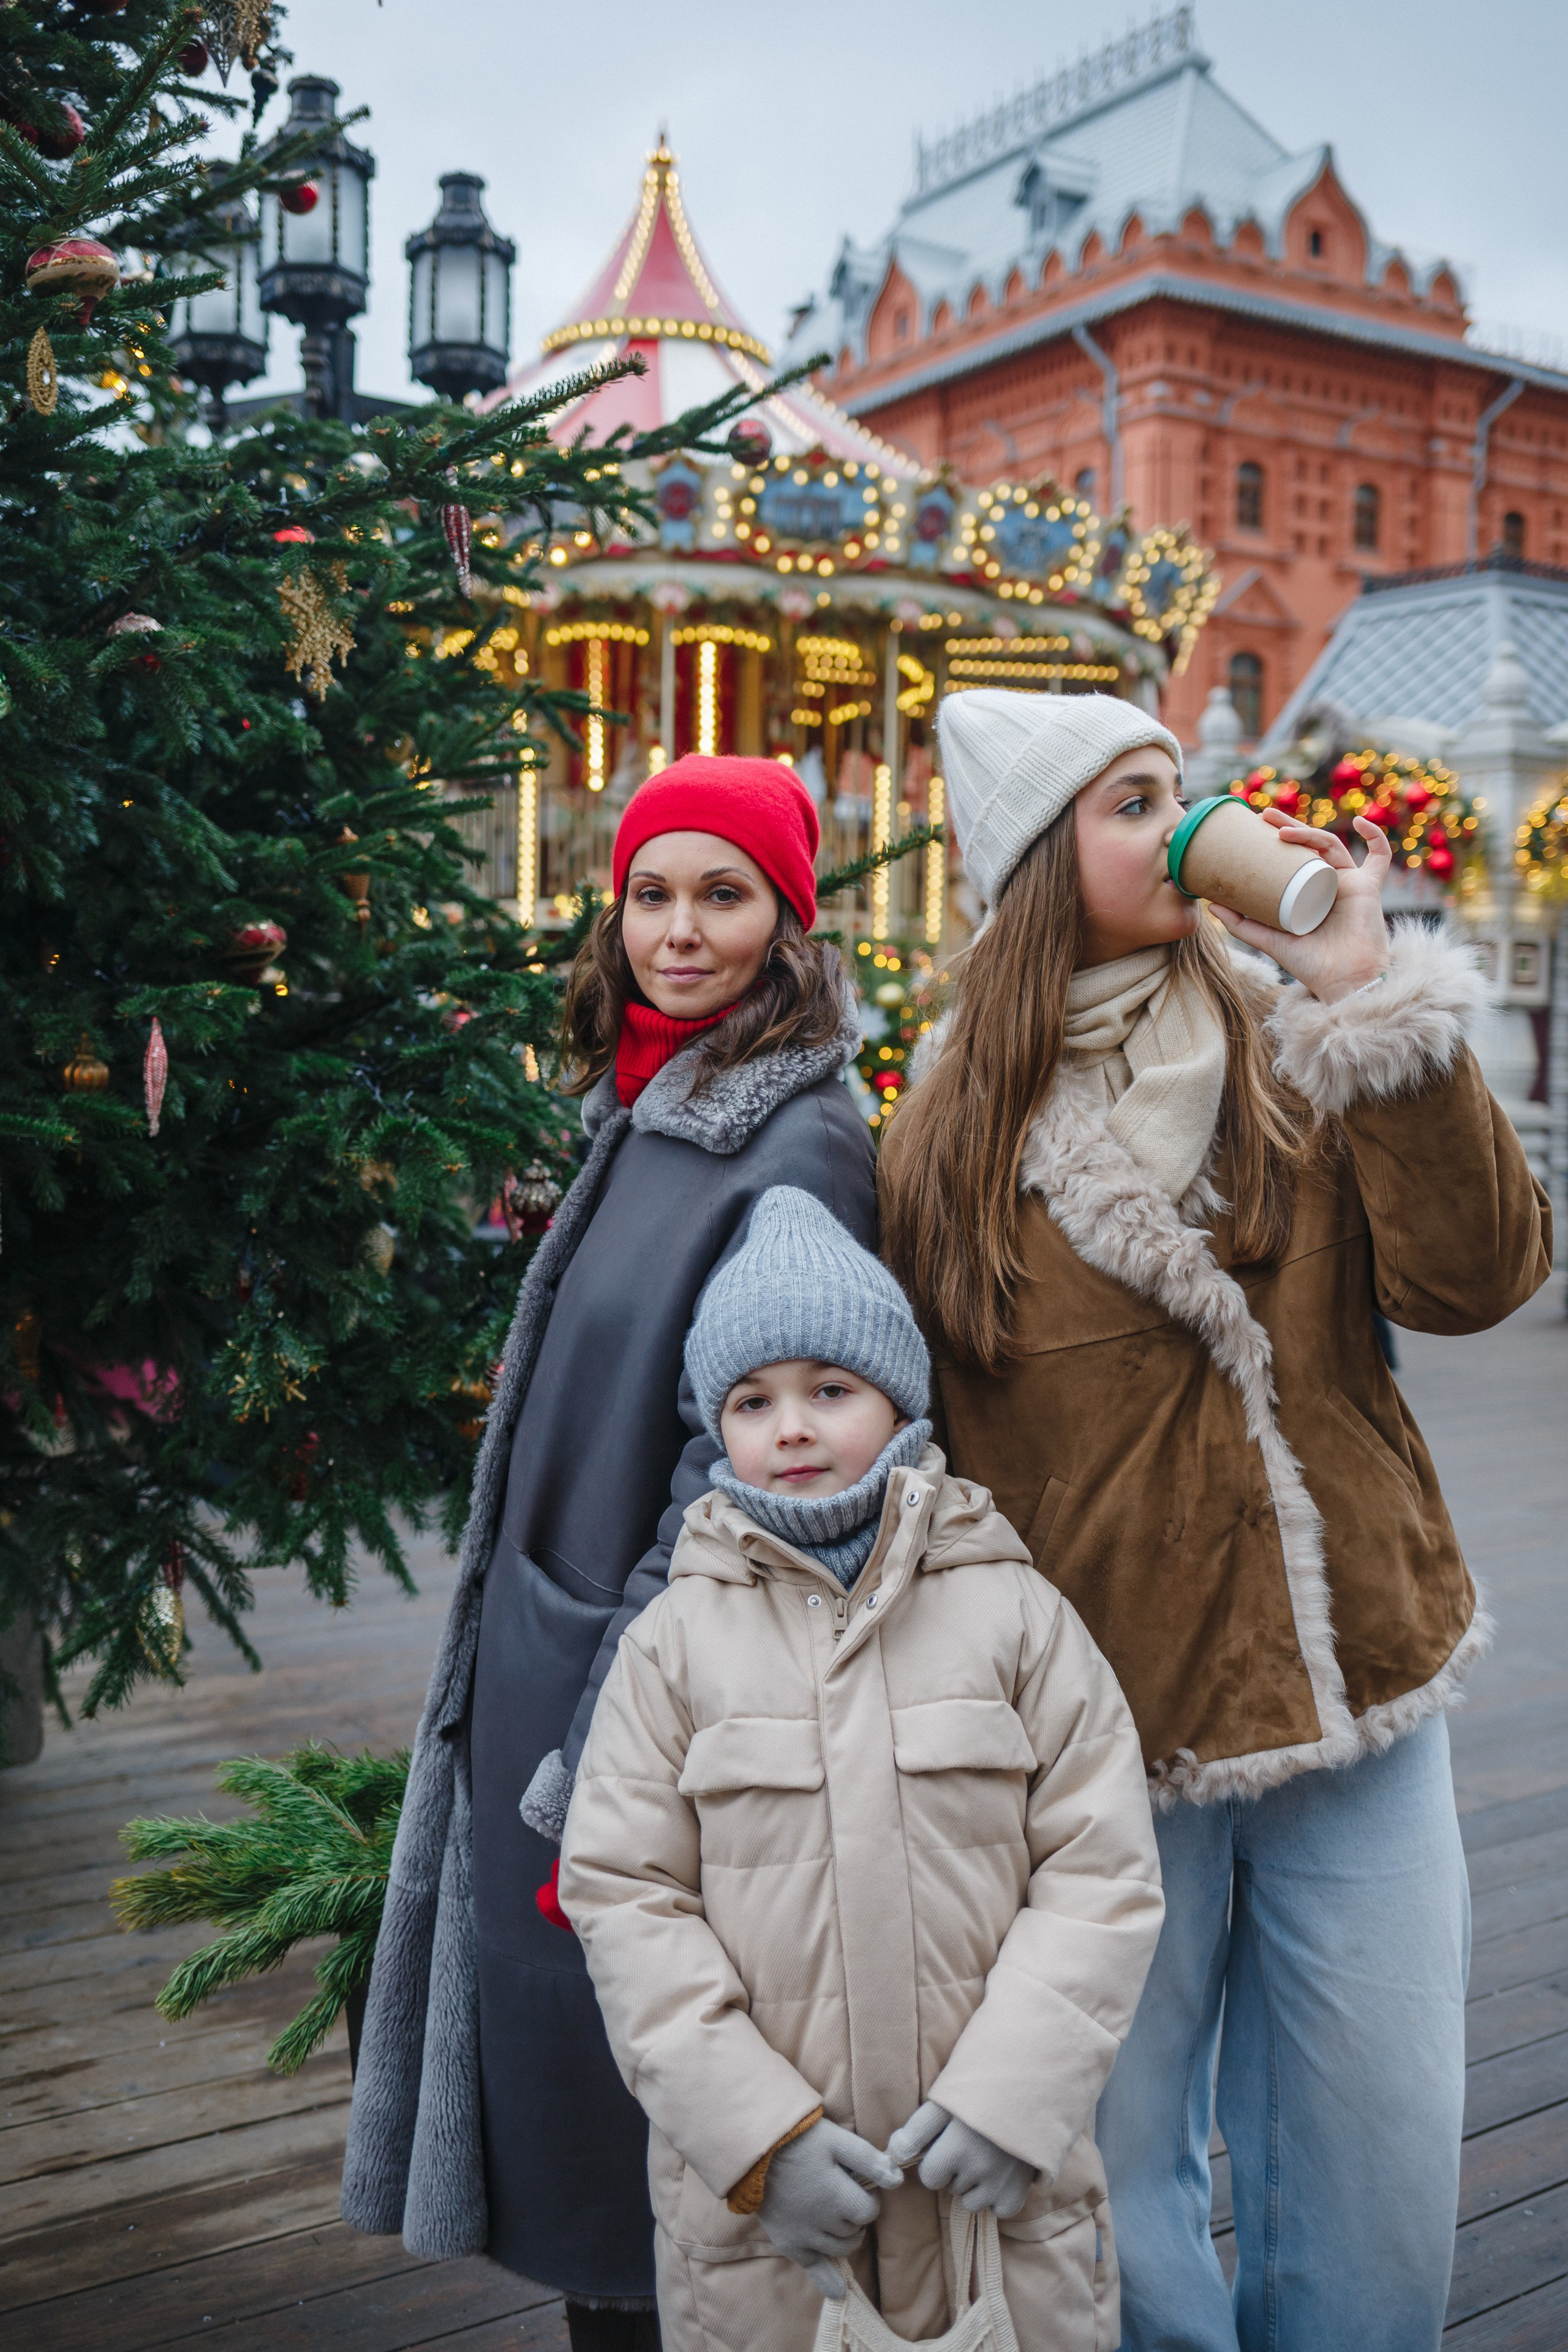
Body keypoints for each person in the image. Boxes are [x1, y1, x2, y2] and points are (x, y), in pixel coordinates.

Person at [878, 690, 1553, 2352]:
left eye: (1182, 792)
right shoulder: (945, 1136)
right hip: (1111, 1729)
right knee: (1114, 2172)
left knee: (1381, 2160)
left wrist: (1371, 995)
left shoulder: (1296, 1038)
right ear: (1044, 862)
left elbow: (1482, 1280)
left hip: (1361, 1678)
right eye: (1135, 803)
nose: (1185, 827)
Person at [342, 760, 878, 2351]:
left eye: (724, 896)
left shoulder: (795, 1146)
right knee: (598, 2164)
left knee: (657, 2161)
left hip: (637, 1722)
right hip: (554, 1683)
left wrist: (615, 1740)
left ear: (787, 921)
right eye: (654, 893)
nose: (681, 930)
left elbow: (752, 1470)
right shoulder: (654, 1104)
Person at [559, 1186, 1166, 2352]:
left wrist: (1013, 2097)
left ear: (898, 1400)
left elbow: (1103, 1869)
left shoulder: (1015, 1613)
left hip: (994, 2200)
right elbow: (625, 1898)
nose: (791, 1428)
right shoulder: (674, 1647)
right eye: (752, 1400)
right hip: (777, 2237)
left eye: (829, 1391)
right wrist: (757, 2139)